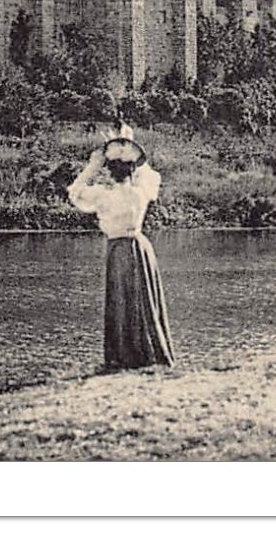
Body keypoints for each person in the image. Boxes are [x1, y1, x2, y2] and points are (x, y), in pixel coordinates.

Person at [68, 133, 175, 371]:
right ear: (131, 172)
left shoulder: (104, 195)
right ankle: (148, 353)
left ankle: (123, 356)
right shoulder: (141, 192)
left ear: (109, 172)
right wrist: (128, 143)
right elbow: (150, 174)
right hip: (140, 246)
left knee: (121, 300)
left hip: (119, 249)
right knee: (143, 300)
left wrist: (93, 165)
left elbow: (75, 192)